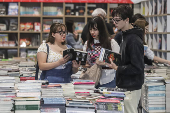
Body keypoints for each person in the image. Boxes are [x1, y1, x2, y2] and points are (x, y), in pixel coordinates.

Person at [107, 5, 144, 113]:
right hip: (125, 86)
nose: (114, 22)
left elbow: (137, 68)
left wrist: (118, 68)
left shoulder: (133, 40)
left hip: (131, 88)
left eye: (117, 20)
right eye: (113, 19)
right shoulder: (124, 35)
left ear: (127, 20)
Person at [83, 16, 120, 88]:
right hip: (92, 78)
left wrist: (105, 62)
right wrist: (84, 64)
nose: (92, 32)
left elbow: (118, 61)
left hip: (108, 79)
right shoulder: (87, 43)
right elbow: (86, 61)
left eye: (95, 29)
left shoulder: (111, 42)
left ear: (101, 29)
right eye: (90, 30)